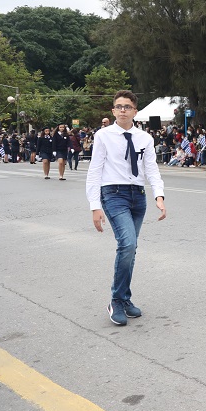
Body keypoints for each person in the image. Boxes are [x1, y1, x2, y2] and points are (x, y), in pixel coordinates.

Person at [86, 90, 166, 326]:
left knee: (130, 248)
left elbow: (151, 168)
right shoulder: (103, 135)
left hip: (137, 196)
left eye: (127, 107)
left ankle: (124, 298)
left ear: (135, 111)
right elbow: (95, 171)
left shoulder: (145, 138)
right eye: (119, 106)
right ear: (113, 111)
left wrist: (159, 195)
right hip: (113, 194)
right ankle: (116, 300)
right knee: (128, 244)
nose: (123, 110)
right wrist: (95, 205)